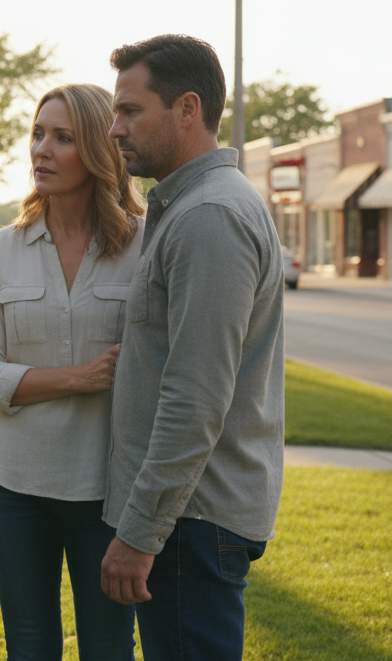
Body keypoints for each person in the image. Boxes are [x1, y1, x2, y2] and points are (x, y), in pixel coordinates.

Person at [98, 34, 285, 660]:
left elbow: (197, 394)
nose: (114, 129)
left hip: (189, 521)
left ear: (187, 109)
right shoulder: (186, 206)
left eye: (129, 112)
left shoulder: (209, 217)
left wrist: (141, 533)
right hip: (186, 517)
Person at [0, 83, 145, 660]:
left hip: (107, 491)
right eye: (38, 134)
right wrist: (77, 377)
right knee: (30, 645)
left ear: (98, 149)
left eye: (62, 138)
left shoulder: (147, 245)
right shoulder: (1, 249)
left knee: (108, 647)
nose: (42, 149)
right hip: (13, 485)